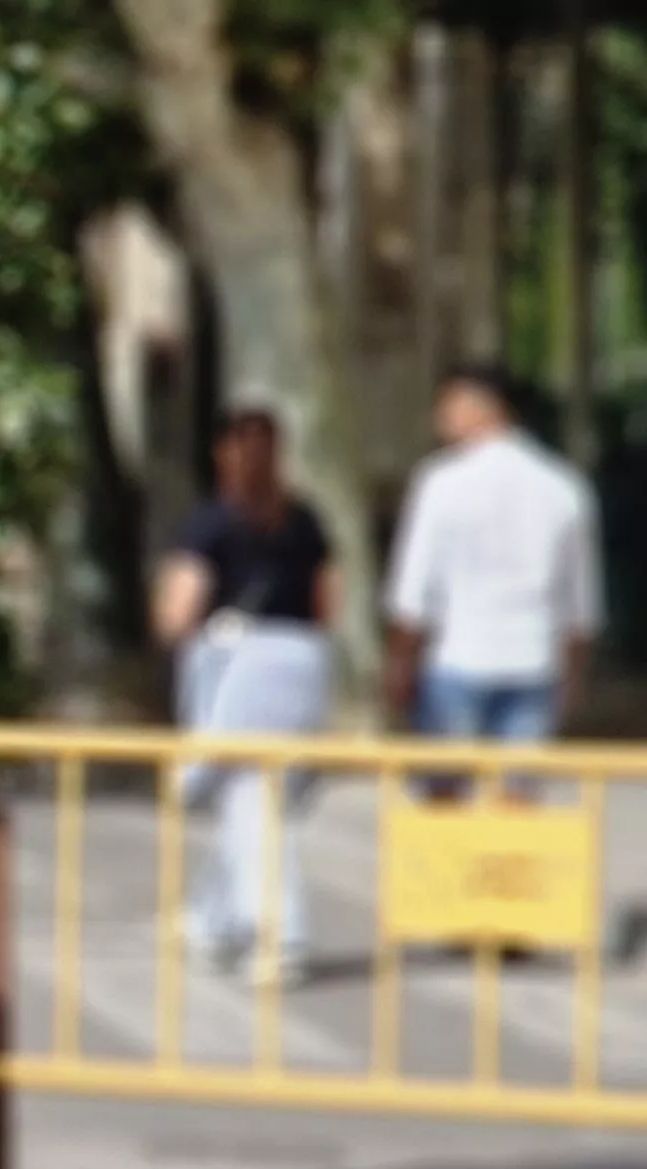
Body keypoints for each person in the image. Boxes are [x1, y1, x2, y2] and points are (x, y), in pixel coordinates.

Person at [157, 400, 336, 986]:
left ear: (222, 452)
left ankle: (278, 934)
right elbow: (324, 601)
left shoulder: (210, 522)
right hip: (300, 664)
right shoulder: (304, 519)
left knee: (249, 797)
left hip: (236, 666)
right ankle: (215, 919)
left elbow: (178, 610)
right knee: (258, 799)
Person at [386, 362, 605, 746]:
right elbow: (581, 606)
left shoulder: (440, 483)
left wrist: (399, 666)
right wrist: (571, 680)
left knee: (448, 796)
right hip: (533, 662)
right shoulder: (563, 487)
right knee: (515, 798)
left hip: (457, 659)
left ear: (486, 408)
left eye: (449, 407)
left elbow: (412, 593)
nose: (440, 420)